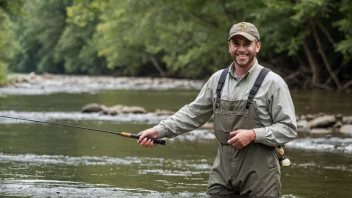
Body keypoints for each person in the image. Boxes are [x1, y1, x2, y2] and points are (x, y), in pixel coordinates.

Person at [138, 22, 297, 197]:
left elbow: (288, 128)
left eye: (247, 44)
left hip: (261, 171)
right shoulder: (217, 79)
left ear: (257, 47)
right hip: (223, 169)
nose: (241, 49)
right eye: (236, 44)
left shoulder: (274, 83)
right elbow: (193, 114)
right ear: (229, 46)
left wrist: (253, 134)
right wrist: (158, 131)